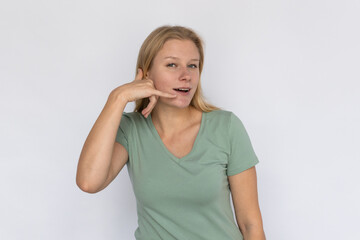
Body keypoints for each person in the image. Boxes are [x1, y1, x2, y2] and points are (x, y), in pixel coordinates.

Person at [76, 25, 266, 240]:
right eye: (172, 65)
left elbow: (250, 224)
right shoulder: (130, 129)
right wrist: (118, 97)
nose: (186, 75)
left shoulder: (226, 127)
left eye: (192, 66)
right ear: (147, 72)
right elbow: (89, 182)